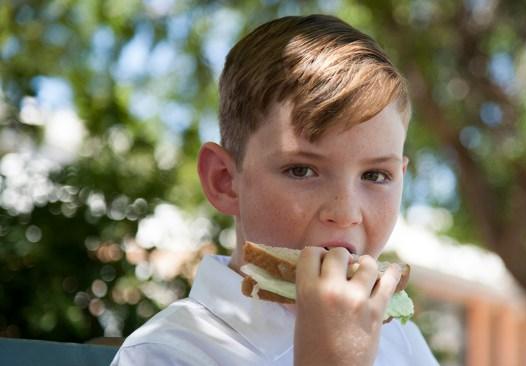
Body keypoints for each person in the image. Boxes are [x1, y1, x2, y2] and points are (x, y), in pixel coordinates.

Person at [111, 14, 439, 366]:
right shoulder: (166, 352)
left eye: (375, 175)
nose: (345, 213)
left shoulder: (400, 338)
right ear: (225, 180)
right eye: (301, 170)